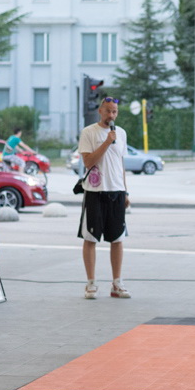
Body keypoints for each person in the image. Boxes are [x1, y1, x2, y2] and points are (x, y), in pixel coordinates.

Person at [78, 97, 130, 299]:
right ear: (100, 111)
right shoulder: (89, 132)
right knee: (90, 238)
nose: (111, 115)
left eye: (115, 111)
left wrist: (125, 191)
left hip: (116, 191)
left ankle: (117, 283)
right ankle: (91, 283)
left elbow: (121, 164)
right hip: (95, 192)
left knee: (117, 238)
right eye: (108, 111)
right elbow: (88, 161)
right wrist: (107, 142)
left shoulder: (122, 133)